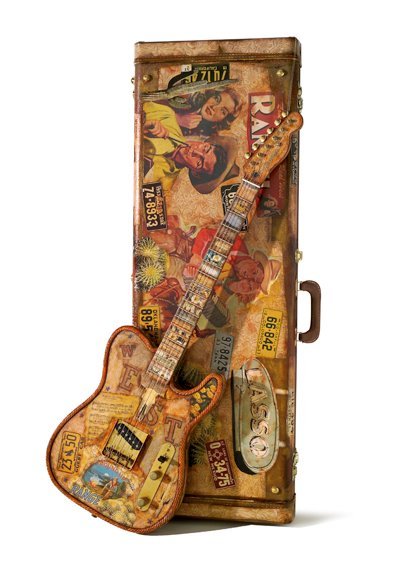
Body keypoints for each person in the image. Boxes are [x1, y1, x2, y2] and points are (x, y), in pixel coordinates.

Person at [143, 102, 238, 193]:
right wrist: (142, 126)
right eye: (205, 149)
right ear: (205, 143)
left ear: (195, 173)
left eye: (199, 162)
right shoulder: (167, 116)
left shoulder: (163, 185)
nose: (195, 151)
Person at [168, 87, 243, 137]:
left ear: (223, 120)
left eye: (223, 111)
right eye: (216, 99)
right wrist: (178, 119)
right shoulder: (185, 100)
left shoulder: (210, 138)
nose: (214, 107)